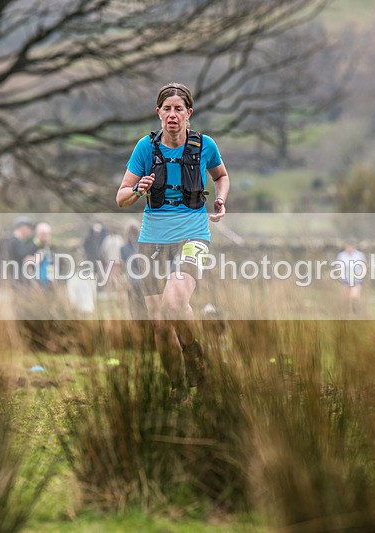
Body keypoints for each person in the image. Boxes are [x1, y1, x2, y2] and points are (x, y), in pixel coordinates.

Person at [116, 82, 229, 394]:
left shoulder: (204, 146)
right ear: (158, 113)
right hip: (152, 241)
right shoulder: (145, 149)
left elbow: (221, 175)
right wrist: (138, 190)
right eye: (167, 109)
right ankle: (177, 390)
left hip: (193, 236)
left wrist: (220, 199)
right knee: (160, 324)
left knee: (175, 301)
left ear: (188, 113)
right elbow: (121, 196)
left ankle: (194, 356)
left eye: (179, 109)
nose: (173, 115)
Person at [336, 239, 366, 315]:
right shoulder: (341, 255)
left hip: (356, 278)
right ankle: (345, 312)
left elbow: (364, 266)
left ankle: (355, 307)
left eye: (350, 247)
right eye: (347, 247)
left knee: (354, 295)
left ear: (354, 247)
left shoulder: (359, 255)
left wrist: (362, 275)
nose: (349, 248)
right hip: (345, 279)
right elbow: (338, 266)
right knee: (345, 298)